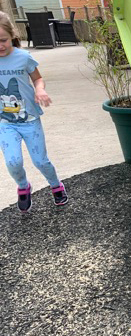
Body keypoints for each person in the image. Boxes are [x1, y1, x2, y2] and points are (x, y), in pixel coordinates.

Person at [0, 12, 68, 213]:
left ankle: (55, 184)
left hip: (29, 119)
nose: (0, 45)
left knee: (40, 160)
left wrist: (40, 89)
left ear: (12, 35)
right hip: (5, 122)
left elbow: (38, 79)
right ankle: (23, 186)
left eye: (3, 40)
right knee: (13, 161)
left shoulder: (23, 57)